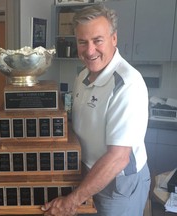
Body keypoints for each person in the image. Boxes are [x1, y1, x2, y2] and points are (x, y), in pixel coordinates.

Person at [42, 4, 150, 216]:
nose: (89, 51)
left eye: (97, 40)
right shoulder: (82, 76)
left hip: (118, 183)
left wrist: (72, 201)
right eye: (83, 42)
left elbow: (118, 158)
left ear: (114, 39)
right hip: (88, 174)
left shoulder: (127, 84)